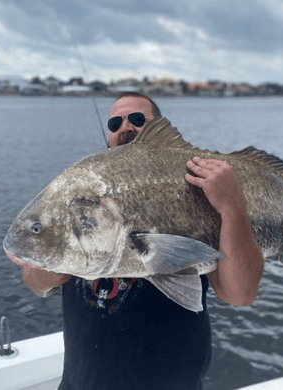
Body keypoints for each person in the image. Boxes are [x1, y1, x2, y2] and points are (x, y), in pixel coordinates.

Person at [22, 92, 264, 390]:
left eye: (138, 119)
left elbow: (240, 294)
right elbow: (34, 280)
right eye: (115, 122)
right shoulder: (76, 194)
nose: (125, 127)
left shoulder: (195, 187)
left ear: (158, 128)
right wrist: (57, 263)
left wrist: (232, 207)